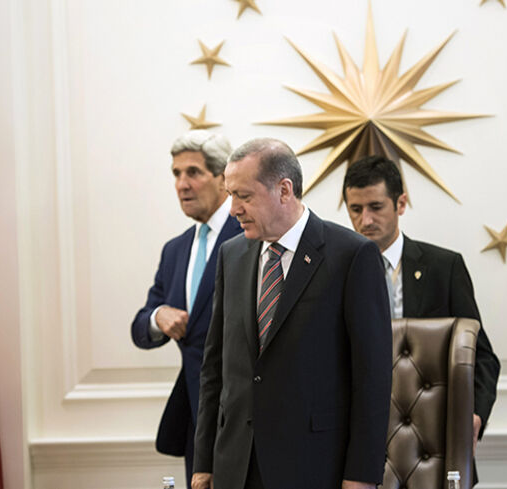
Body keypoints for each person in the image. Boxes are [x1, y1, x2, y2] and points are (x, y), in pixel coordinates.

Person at [192, 139, 392, 489]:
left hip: (314, 466)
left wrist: (361, 475)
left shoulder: (352, 256)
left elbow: (372, 380)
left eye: (244, 196)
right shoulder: (231, 255)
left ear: (284, 190)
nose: (233, 208)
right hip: (235, 467)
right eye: (230, 195)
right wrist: (203, 463)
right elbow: (215, 369)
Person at [342, 155, 501, 484]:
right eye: (355, 209)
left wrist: (475, 415)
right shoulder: (336, 272)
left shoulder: (443, 267)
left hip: (434, 438)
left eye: (375, 207)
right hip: (359, 441)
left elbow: (482, 356)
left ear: (400, 203)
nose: (365, 220)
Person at [131, 130, 242, 488]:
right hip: (197, 419)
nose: (182, 184)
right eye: (176, 174)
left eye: (193, 172)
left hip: (243, 419)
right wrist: (157, 317)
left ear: (223, 178)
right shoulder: (176, 250)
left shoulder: (251, 236)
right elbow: (140, 327)